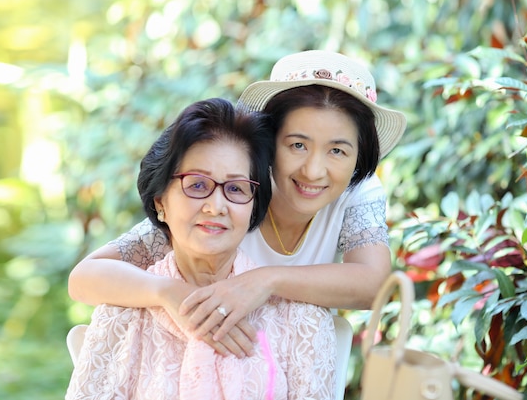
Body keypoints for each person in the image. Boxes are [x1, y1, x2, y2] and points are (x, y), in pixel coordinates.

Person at [68, 50, 407, 358]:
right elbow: (85, 277)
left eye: (337, 150)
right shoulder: (233, 191)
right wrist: (169, 292)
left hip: (294, 364)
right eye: (297, 145)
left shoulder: (356, 191)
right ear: (269, 142)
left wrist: (263, 281)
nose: (314, 171)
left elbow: (374, 285)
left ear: (358, 155)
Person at [65, 98, 336, 400]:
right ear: (160, 203)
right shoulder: (122, 315)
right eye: (196, 185)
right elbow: (81, 278)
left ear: (252, 208)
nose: (216, 206)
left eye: (235, 189)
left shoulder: (300, 321)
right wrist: (170, 294)